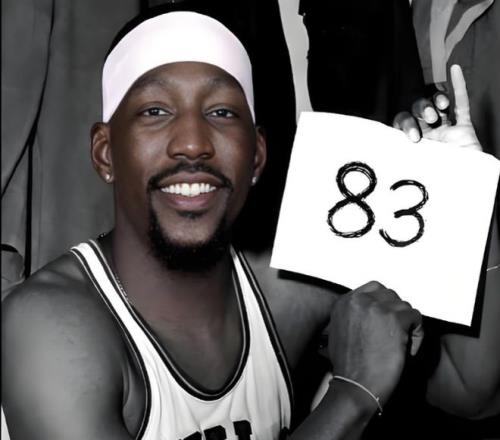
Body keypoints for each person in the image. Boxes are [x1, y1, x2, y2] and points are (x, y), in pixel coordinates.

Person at [1, 9, 496, 440]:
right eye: (156, 111)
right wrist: (351, 396)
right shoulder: (48, 327)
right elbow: (366, 390)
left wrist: (468, 198)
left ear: (257, 155)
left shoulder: (289, 286)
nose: (192, 143)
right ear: (106, 153)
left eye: (220, 112)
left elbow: (472, 390)